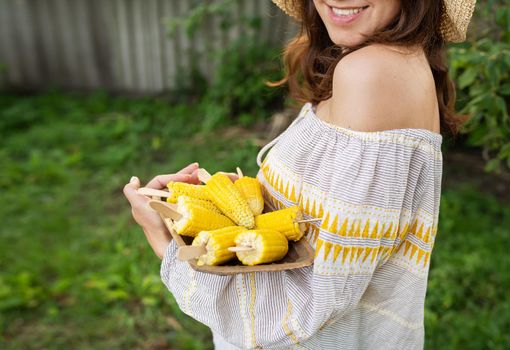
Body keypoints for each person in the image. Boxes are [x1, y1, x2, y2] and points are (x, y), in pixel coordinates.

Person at [123, 0, 476, 348]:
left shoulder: (371, 72)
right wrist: (239, 206)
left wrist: (165, 242)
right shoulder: (387, 62)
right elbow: (335, 227)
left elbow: (314, 307)